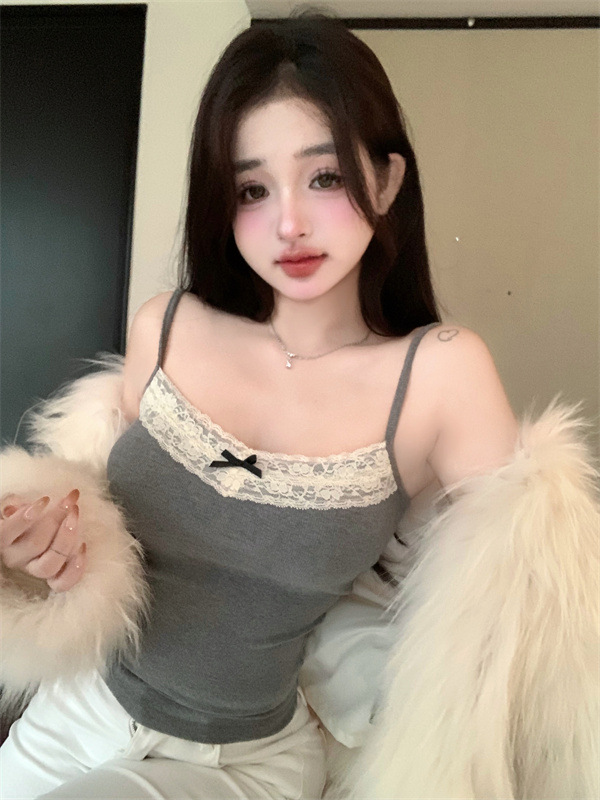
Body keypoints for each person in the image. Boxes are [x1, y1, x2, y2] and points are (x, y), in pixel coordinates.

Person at [1, 11, 594, 800]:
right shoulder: (165, 327)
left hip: (240, 762)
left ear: (387, 180)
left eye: (325, 178)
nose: (288, 223)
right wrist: (45, 560)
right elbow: (113, 537)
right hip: (77, 712)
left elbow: (526, 625)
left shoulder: (439, 376)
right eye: (252, 188)